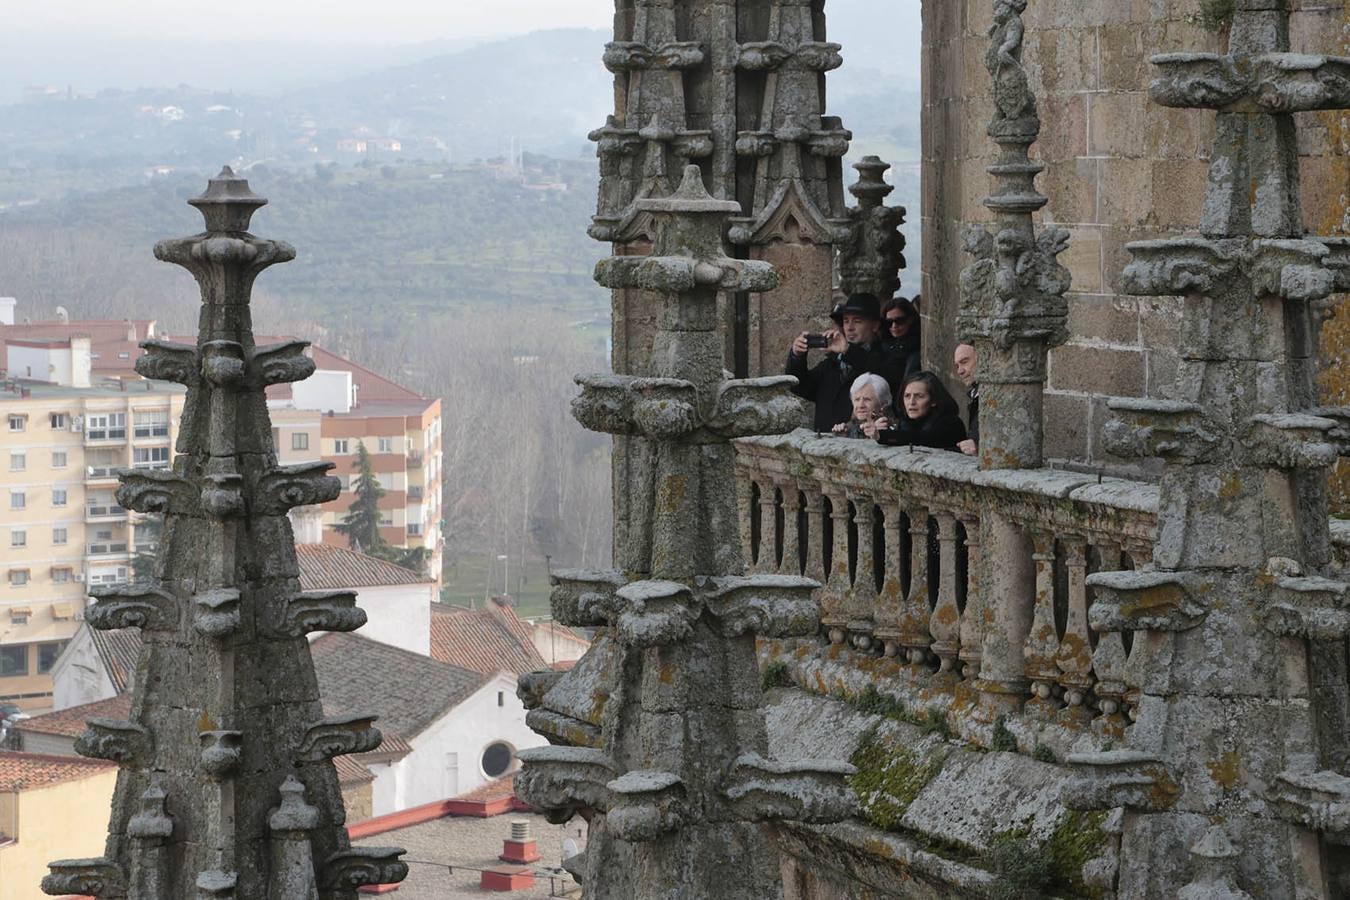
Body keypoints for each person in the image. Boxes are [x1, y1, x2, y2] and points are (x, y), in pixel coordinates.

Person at [787, 293, 889, 433]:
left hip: (862, 441)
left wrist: (848, 350)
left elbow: (876, 371)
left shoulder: (886, 357)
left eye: (857, 321)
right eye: (846, 321)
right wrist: (797, 356)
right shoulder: (833, 362)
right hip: (825, 441)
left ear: (875, 326)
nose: (849, 327)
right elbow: (799, 386)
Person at [876, 371, 968, 452]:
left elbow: (922, 439)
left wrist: (883, 435)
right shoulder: (905, 422)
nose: (911, 402)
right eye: (907, 396)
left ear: (933, 400)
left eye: (919, 396)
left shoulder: (950, 422)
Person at [832, 373, 895, 439]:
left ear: (883, 403)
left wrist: (880, 436)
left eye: (867, 399)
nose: (860, 405)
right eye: (857, 399)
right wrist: (843, 438)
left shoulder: (894, 428)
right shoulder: (848, 428)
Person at [881, 297, 921, 382]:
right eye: (889, 322)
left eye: (899, 321)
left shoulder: (915, 347)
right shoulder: (883, 343)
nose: (894, 326)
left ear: (910, 320)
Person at [954, 343, 979, 456]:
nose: (960, 371)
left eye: (964, 362)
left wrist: (978, 446)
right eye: (957, 366)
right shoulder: (974, 394)